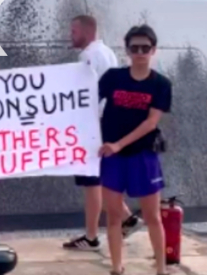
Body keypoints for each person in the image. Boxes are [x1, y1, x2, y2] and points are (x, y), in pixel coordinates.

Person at [64, 15, 143, 251]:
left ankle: (91, 236)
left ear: (86, 32)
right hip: (106, 122)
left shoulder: (88, 57)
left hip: (93, 124)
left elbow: (84, 95)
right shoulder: (106, 53)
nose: (71, 35)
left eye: (74, 31)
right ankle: (127, 218)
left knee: (92, 182)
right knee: (97, 180)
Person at [99, 25, 172, 275]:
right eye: (134, 48)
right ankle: (117, 266)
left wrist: (119, 143)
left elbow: (151, 122)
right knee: (114, 216)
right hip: (111, 156)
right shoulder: (112, 77)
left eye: (145, 48)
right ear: (127, 50)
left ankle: (161, 268)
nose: (140, 52)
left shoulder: (161, 84)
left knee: (153, 217)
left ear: (153, 50)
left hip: (143, 155)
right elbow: (83, 99)